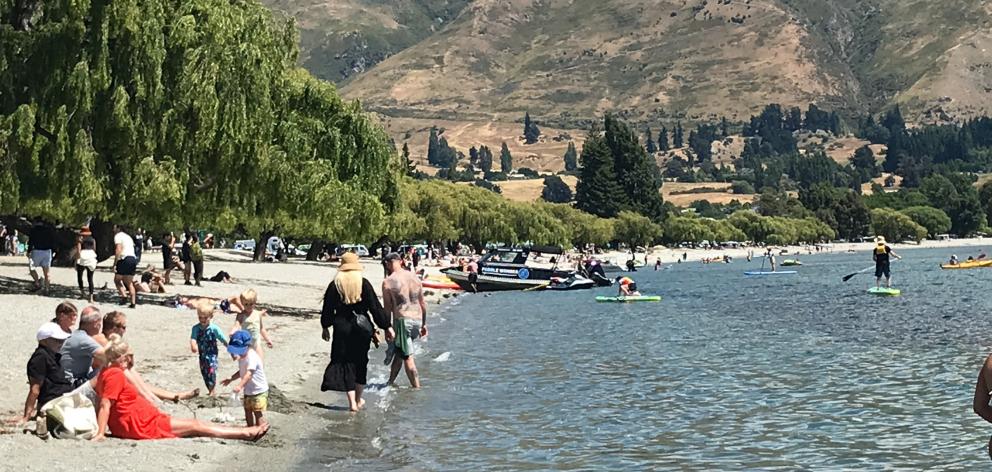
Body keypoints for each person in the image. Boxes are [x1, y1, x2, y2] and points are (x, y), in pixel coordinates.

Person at [92, 334, 269, 441]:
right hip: (139, 424)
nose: (131, 361)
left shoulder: (107, 371)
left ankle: (242, 431)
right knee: (195, 425)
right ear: (120, 358)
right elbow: (105, 404)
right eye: (128, 358)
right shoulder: (114, 374)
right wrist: (101, 433)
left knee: (195, 424)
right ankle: (244, 433)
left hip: (141, 419)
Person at [320, 252, 393, 412]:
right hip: (361, 329)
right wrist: (387, 326)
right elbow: (375, 307)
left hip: (341, 328)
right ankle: (359, 400)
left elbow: (327, 309)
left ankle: (352, 402)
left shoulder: (335, 285)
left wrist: (325, 326)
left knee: (346, 362)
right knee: (360, 362)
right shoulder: (363, 283)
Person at [8, 322, 74, 426]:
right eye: (57, 340)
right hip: (55, 400)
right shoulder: (40, 358)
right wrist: (26, 417)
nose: (61, 343)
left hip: (64, 396)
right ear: (45, 341)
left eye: (62, 340)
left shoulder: (52, 355)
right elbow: (35, 390)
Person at [382, 253, 428, 389]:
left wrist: (387, 328)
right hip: (417, 319)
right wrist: (424, 324)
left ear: (388, 264)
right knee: (400, 351)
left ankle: (416, 388)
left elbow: (387, 308)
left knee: (408, 357)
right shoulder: (414, 277)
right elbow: (423, 303)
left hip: (403, 320)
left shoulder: (388, 282)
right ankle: (390, 382)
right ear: (401, 261)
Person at [221, 330, 268, 427]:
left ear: (247, 346)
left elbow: (249, 374)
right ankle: (250, 428)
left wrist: (239, 386)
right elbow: (241, 371)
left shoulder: (252, 357)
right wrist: (231, 378)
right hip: (248, 390)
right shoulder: (242, 357)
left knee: (257, 412)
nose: (237, 353)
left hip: (258, 390)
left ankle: (261, 429)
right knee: (247, 410)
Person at [60, 306, 105, 387]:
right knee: (107, 371)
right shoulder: (83, 340)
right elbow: (109, 356)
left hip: (65, 379)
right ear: (96, 323)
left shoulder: (76, 334)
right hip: (72, 384)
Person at [190, 302, 229, 396]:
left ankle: (212, 390)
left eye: (205, 318)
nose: (202, 320)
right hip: (202, 355)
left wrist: (230, 348)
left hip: (212, 354)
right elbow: (193, 338)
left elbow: (223, 339)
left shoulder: (214, 328)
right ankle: (210, 389)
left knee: (211, 371)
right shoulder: (196, 328)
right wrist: (193, 345)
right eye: (200, 317)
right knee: (204, 373)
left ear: (211, 316)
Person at [230, 289, 273, 359]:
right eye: (246, 304)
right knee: (246, 364)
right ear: (242, 303)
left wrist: (268, 339)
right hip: (246, 344)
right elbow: (237, 325)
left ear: (255, 302)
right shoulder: (241, 315)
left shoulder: (257, 314)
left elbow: (261, 328)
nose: (248, 306)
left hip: (256, 344)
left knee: (259, 364)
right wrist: (233, 331)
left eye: (251, 304)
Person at [113, 224, 138, 308]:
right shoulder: (128, 237)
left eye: (114, 227)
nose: (113, 229)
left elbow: (118, 249)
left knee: (117, 280)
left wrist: (115, 263)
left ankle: (124, 296)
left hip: (124, 258)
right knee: (129, 282)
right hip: (132, 259)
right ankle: (133, 302)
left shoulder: (118, 236)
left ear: (118, 228)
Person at [27, 220, 56, 293]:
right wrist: (53, 251)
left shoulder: (34, 230)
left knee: (32, 268)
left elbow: (31, 242)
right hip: (47, 251)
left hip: (37, 251)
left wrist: (28, 251)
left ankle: (37, 283)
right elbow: (53, 241)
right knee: (47, 272)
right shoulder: (49, 230)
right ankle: (47, 289)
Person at [75, 227, 98, 303]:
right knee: (90, 278)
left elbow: (78, 251)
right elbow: (94, 249)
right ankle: (91, 297)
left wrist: (76, 260)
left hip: (83, 256)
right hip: (91, 256)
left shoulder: (80, 240)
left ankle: (82, 293)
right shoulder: (93, 240)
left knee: (79, 275)